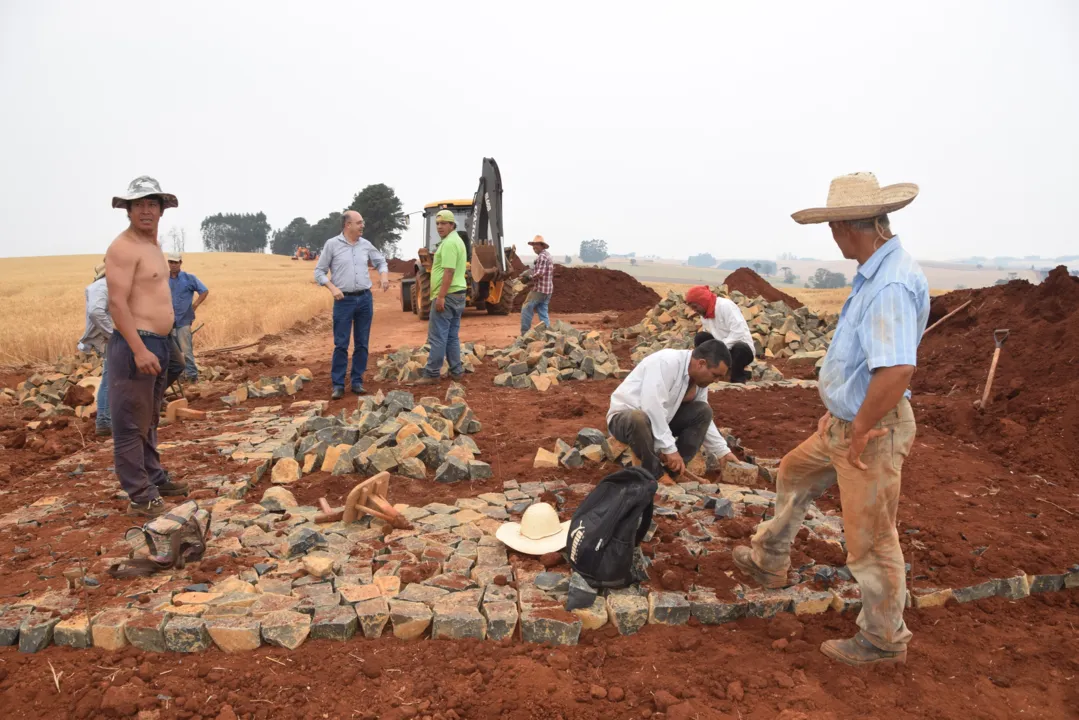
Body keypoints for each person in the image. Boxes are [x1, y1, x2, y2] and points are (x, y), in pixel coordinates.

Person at [732, 172, 928, 667]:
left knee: (871, 538)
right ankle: (769, 559)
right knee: (794, 472)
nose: (832, 236)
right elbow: (864, 363)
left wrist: (860, 426)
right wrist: (838, 409)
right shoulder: (872, 274)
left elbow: (898, 369)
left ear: (846, 226)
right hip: (847, 422)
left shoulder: (891, 283)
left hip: (873, 430)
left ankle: (883, 640)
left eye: (832, 227)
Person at [105, 176, 190, 517]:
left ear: (161, 210)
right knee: (129, 423)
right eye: (138, 204)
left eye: (151, 204)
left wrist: (166, 346)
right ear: (127, 210)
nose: (145, 210)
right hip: (134, 346)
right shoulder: (122, 248)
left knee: (149, 418)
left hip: (159, 343)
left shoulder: (154, 247)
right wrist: (139, 349)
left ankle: (154, 476)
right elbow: (117, 304)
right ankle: (140, 495)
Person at [606, 340, 736, 483]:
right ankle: (654, 475)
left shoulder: (699, 380)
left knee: (703, 411)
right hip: (626, 419)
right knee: (639, 418)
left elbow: (703, 418)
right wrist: (669, 449)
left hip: (662, 420)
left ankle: (674, 472)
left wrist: (723, 451)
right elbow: (651, 406)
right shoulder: (666, 362)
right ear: (701, 363)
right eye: (715, 375)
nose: (716, 381)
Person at [314, 210, 390, 399]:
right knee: (341, 344)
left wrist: (384, 277)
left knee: (362, 343)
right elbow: (319, 272)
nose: (362, 225)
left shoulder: (365, 245)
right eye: (359, 222)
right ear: (348, 225)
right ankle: (338, 384)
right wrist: (333, 288)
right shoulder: (332, 245)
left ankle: (357, 381)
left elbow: (381, 262)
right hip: (343, 301)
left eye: (362, 222)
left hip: (365, 299)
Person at [415, 210, 467, 385]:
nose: (439, 227)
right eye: (437, 223)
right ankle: (456, 371)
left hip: (448, 295)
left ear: (452, 225)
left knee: (438, 336)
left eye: (443, 223)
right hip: (458, 293)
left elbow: (449, 271)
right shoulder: (454, 241)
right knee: (451, 335)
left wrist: (441, 296)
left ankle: (432, 373)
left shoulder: (450, 243)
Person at [685, 285, 756, 383]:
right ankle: (706, 374)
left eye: (695, 306)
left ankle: (737, 381)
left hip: (740, 350)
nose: (694, 310)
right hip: (722, 350)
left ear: (702, 301)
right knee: (701, 337)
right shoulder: (704, 314)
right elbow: (710, 335)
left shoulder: (725, 306)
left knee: (740, 348)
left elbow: (738, 332)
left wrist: (720, 348)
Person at [76, 261, 113, 436]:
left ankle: (109, 418)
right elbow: (96, 312)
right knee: (111, 376)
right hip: (105, 338)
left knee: (114, 375)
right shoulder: (101, 286)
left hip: (105, 337)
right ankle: (105, 420)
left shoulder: (105, 285)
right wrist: (113, 333)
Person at [167, 252, 209, 383]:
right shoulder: (163, 279)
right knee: (174, 351)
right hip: (167, 321)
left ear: (180, 263)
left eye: (175, 262)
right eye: (171, 262)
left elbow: (204, 291)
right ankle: (178, 376)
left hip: (184, 319)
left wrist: (194, 305)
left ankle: (191, 376)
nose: (173, 265)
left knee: (186, 349)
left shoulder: (188, 278)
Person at [520, 235, 554, 334]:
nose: (534, 247)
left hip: (540, 289)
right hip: (548, 290)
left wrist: (529, 278)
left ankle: (524, 334)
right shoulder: (547, 255)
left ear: (542, 245)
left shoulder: (542, 257)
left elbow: (540, 273)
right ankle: (548, 334)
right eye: (533, 245)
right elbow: (537, 270)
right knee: (542, 311)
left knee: (526, 307)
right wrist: (525, 274)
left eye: (536, 245)